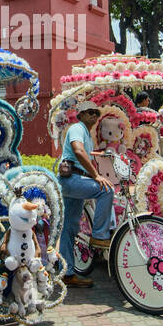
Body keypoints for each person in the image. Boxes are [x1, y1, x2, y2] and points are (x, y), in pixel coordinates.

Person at [57, 105, 109, 289]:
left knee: (69, 228)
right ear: (81, 114)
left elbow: (85, 152)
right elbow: (78, 151)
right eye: (90, 111)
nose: (94, 114)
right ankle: (100, 235)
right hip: (72, 178)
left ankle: (66, 273)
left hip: (74, 181)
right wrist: (96, 175)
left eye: (97, 113)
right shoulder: (77, 128)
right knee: (106, 190)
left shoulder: (87, 134)